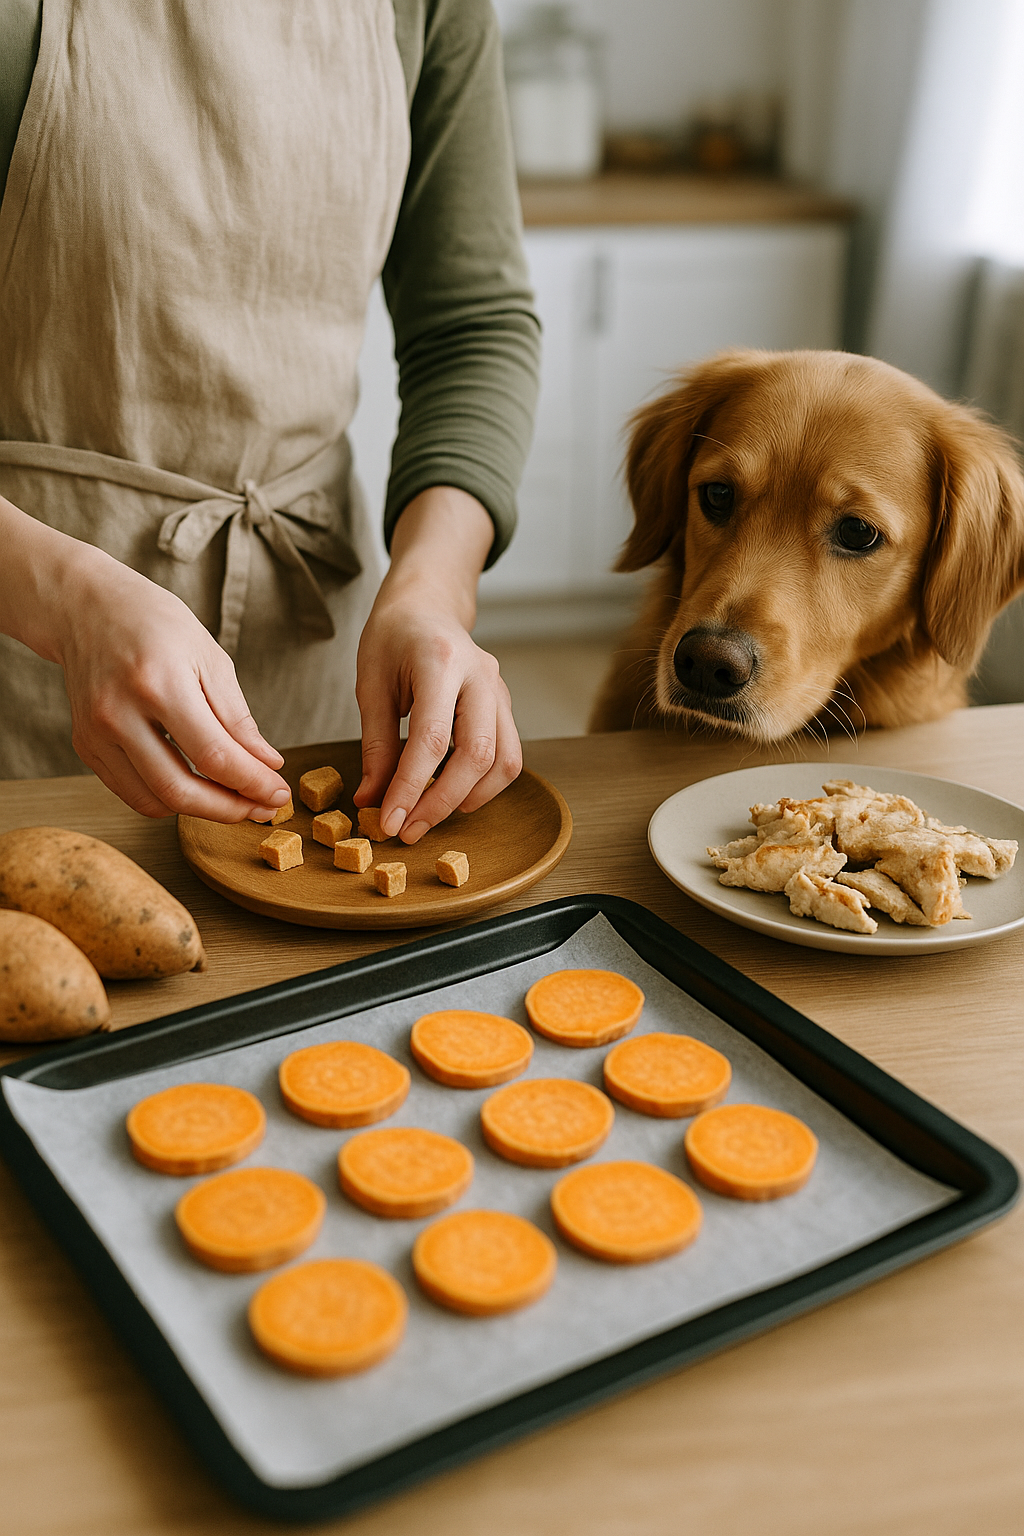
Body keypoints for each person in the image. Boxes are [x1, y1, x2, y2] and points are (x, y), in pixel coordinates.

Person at [0, 0, 540, 845]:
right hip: (24, 651)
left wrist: (433, 590)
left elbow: (470, 329)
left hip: (313, 653)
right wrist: (63, 600)